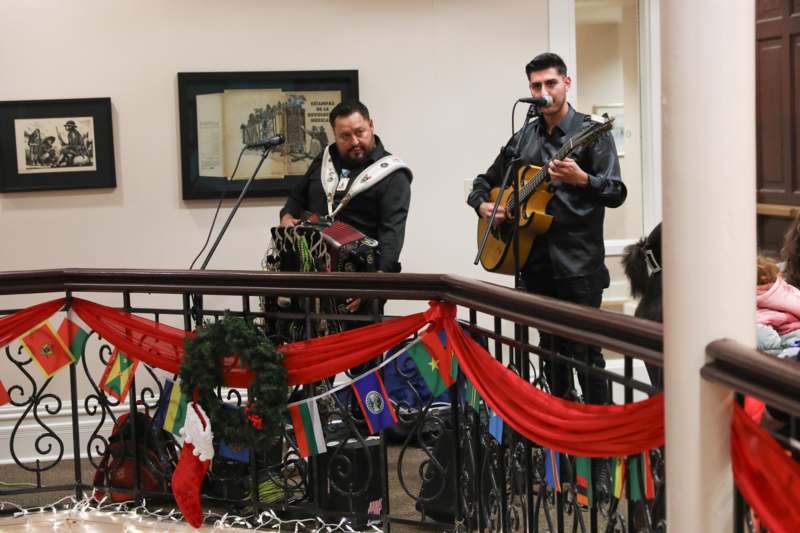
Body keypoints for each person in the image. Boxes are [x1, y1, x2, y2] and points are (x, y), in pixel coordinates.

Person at [467, 52, 626, 405]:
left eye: (551, 83)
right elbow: (484, 181)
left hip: (579, 266)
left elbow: (616, 192)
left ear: (566, 83)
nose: (544, 92)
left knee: (587, 355)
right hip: (535, 265)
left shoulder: (591, 132)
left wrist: (582, 179)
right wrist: (482, 205)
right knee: (551, 353)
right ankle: (561, 429)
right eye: (536, 86)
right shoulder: (525, 135)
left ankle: (597, 432)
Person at [280, 100, 413, 311]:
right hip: (309, 276)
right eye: (345, 136)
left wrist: (376, 286)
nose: (354, 141)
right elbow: (297, 197)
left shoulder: (393, 174)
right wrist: (287, 217)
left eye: (360, 132)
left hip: (358, 284)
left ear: (371, 125)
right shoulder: (325, 159)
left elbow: (392, 235)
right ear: (334, 134)